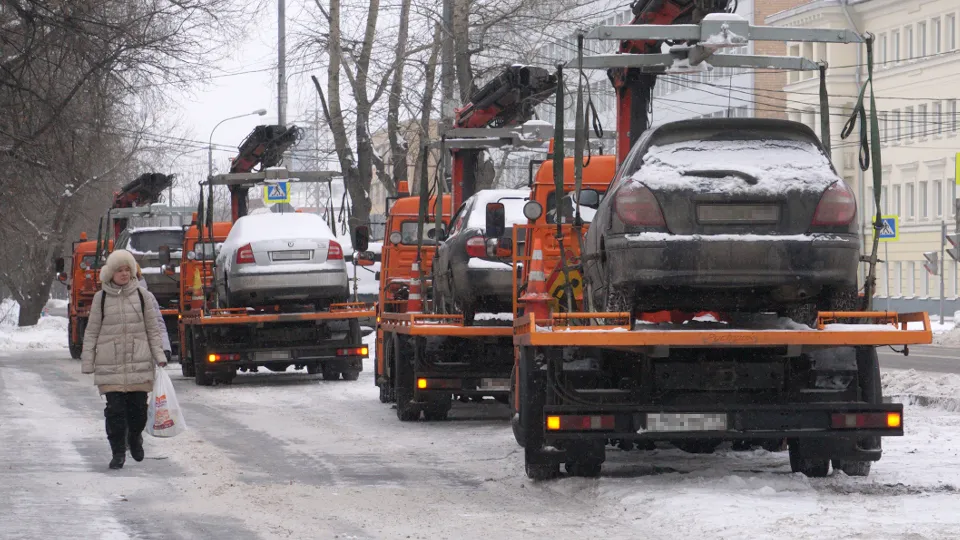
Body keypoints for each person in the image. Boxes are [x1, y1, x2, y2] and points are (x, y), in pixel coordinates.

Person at [81, 249, 168, 470]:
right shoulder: (100, 299)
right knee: (115, 412)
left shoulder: (143, 296)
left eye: (127, 269)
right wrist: (88, 360)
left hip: (139, 361)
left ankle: (135, 438)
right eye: (119, 270)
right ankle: (118, 451)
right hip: (110, 364)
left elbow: (153, 328)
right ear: (110, 273)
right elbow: (92, 331)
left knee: (138, 410)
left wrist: (160, 356)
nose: (124, 274)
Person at [136, 264, 172, 365]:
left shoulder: (147, 297)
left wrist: (164, 348)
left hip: (143, 357)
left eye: (128, 271)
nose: (125, 274)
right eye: (119, 270)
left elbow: (158, 324)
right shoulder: (105, 298)